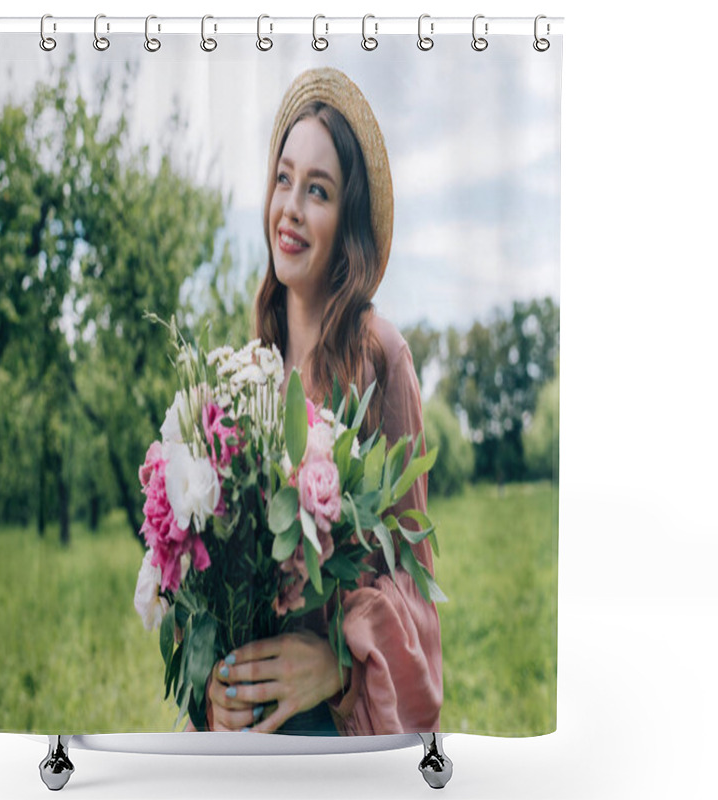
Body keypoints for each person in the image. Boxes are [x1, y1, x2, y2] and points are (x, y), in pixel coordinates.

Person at [206, 68, 443, 736]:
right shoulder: (244, 372)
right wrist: (213, 692)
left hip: (330, 733)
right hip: (247, 729)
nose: (290, 207)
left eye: (318, 191)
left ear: (348, 222)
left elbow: (415, 593)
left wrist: (339, 660)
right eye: (284, 179)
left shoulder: (382, 359)